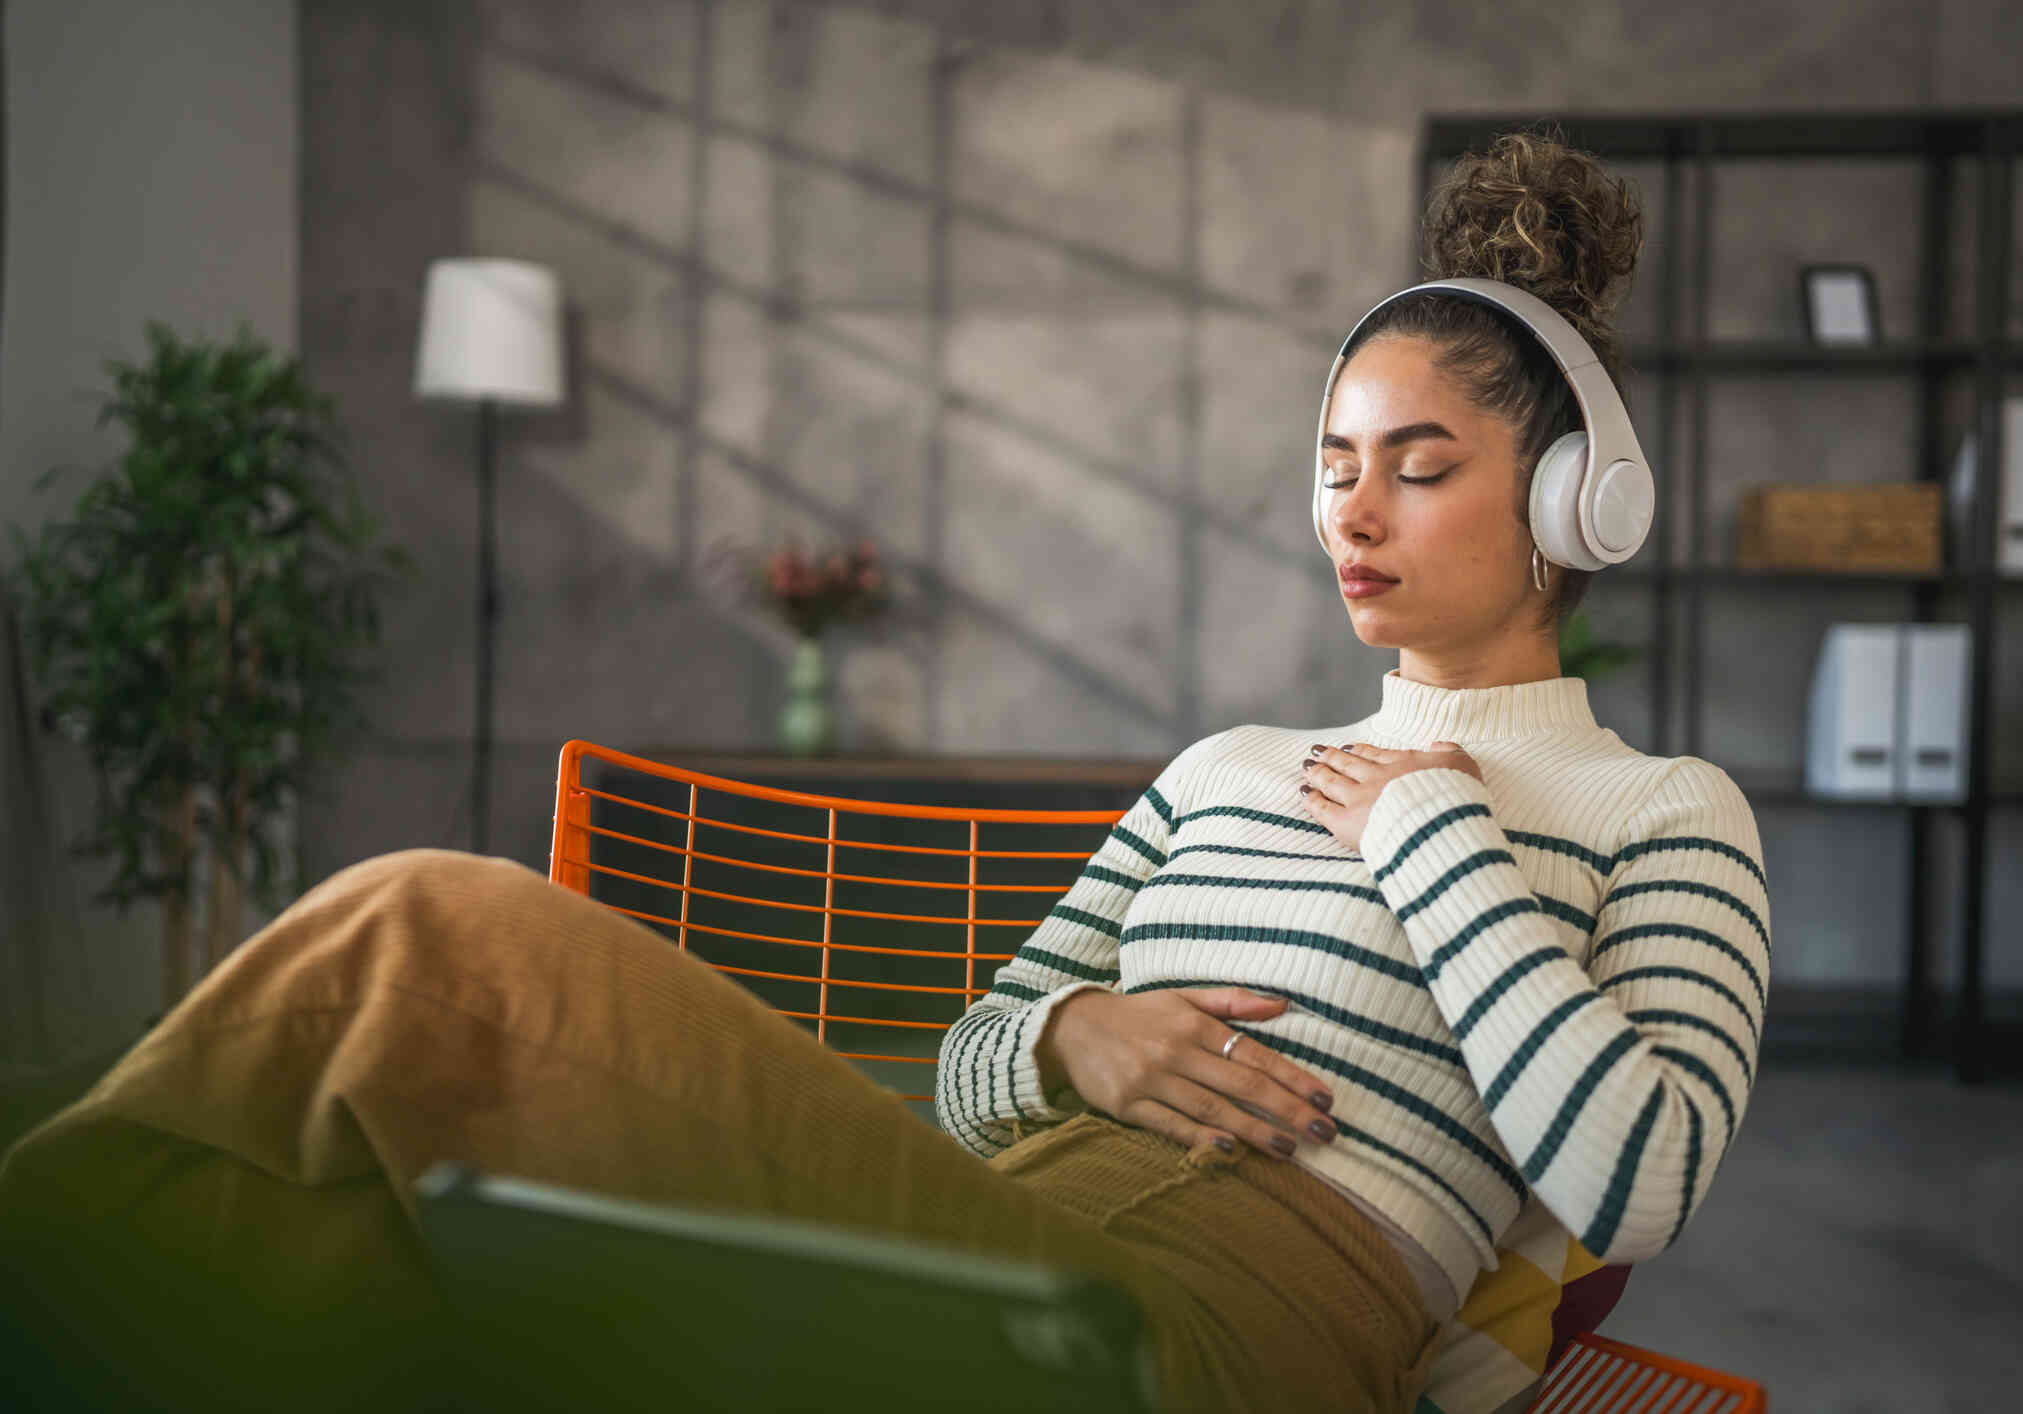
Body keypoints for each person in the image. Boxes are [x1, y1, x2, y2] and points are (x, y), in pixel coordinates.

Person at [0, 128, 1768, 1414]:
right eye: (1330, 462)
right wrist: (1071, 1036)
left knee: (423, 938)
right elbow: (966, 1069)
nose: (1350, 512)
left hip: (1216, 1341)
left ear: (1563, 509)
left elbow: (1641, 1176)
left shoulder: (1660, 813)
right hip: (975, 1245)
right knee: (361, 1244)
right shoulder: (1226, 766)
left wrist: (1439, 836)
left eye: (1418, 465)